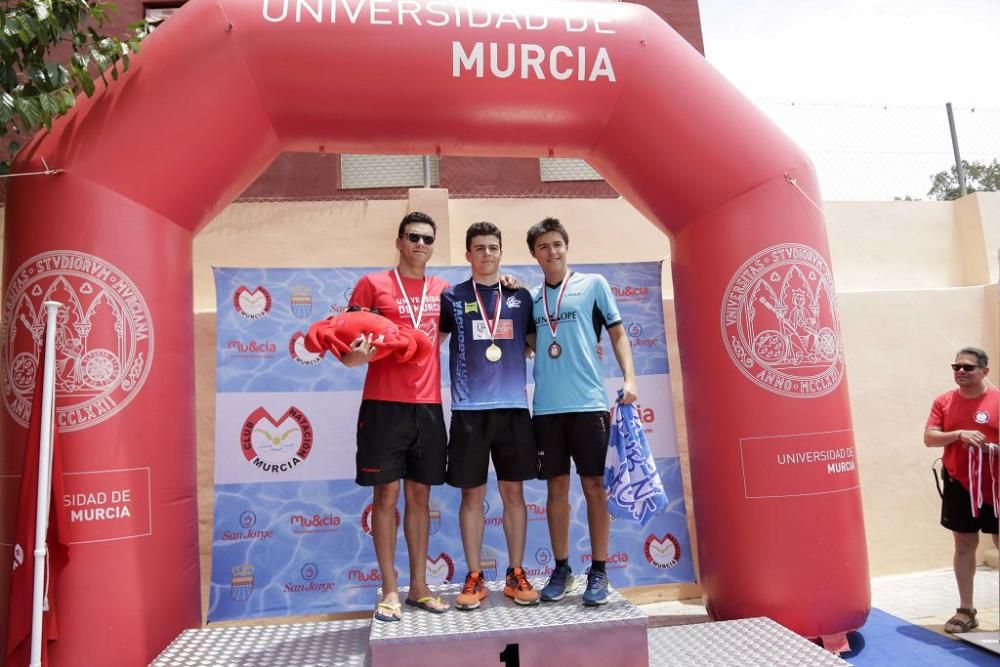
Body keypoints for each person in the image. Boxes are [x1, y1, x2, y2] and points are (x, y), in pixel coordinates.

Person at [340, 211, 450, 621]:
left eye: (427, 238)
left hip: (429, 407)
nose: (421, 244)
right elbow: (347, 345)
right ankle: (389, 590)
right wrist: (356, 356)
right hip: (383, 407)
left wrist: (508, 283)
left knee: (420, 497)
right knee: (385, 497)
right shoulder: (372, 284)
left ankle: (419, 587)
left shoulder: (444, 290)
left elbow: (483, 305)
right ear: (399, 241)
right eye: (413, 237)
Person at [526, 217, 638, 607]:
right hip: (546, 409)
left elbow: (617, 333)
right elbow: (527, 344)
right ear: (534, 254)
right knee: (556, 489)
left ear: (566, 247)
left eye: (557, 244)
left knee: (594, 487)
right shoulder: (531, 298)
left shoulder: (593, 285)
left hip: (589, 404)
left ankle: (600, 571)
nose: (552, 252)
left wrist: (630, 379)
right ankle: (562, 568)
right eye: (543, 247)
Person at [439, 222, 540, 610]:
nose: (486, 254)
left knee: (514, 493)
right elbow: (431, 341)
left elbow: (536, 342)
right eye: (478, 248)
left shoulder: (520, 297)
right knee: (472, 495)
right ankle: (474, 575)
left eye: (492, 248)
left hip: (514, 408)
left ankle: (516, 573)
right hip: (468, 411)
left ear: (501, 253)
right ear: (468, 255)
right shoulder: (453, 298)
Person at [924, 346, 998, 634]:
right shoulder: (943, 401)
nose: (961, 372)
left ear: (985, 371)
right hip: (960, 486)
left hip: (996, 487)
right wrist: (958, 434)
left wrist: (991, 450)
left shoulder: (997, 400)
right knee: (964, 545)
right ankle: (966, 610)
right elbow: (930, 439)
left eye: (968, 367)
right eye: (956, 367)